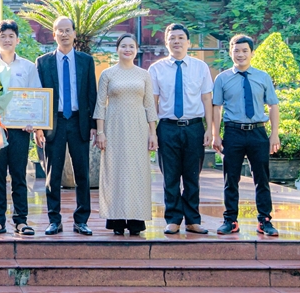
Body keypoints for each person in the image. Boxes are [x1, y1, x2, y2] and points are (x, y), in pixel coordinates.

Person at [212, 34, 281, 237]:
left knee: (262, 178)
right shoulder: (222, 78)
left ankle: (265, 221)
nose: (240, 54)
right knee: (230, 179)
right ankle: (230, 220)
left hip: (258, 132)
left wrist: (274, 134)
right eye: (236, 50)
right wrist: (216, 135)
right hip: (233, 132)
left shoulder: (263, 77)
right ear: (230, 51)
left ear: (251, 52)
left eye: (244, 51)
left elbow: (273, 105)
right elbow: (216, 108)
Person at [35, 16, 98, 236]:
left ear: (74, 34)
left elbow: (92, 94)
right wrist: (39, 127)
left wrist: (93, 125)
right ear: (54, 35)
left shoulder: (86, 61)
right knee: (53, 175)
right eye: (59, 30)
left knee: (83, 174)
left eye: (67, 30)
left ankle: (82, 220)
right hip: (55, 123)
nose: (63, 34)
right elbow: (39, 97)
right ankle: (54, 220)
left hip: (79, 122)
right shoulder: (43, 62)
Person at [148, 23, 213, 235]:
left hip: (194, 127)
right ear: (166, 42)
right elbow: (153, 103)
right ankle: (173, 218)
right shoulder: (156, 69)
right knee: (170, 176)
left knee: (192, 176)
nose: (176, 41)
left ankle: (193, 220)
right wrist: (153, 132)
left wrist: (209, 129)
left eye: (180, 38)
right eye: (172, 38)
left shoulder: (200, 67)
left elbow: (206, 99)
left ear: (189, 42)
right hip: (167, 128)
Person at [0, 20, 42, 236]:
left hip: (19, 129)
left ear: (17, 39)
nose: (7, 40)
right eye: (2, 36)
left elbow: (36, 95)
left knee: (19, 175)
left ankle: (21, 221)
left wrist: (33, 124)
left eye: (11, 36)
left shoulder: (27, 67)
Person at [93, 34, 158, 235]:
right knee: (115, 172)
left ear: (136, 50)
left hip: (138, 129)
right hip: (114, 128)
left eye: (131, 46)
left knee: (138, 172)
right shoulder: (108, 74)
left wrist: (153, 133)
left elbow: (149, 105)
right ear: (117, 49)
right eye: (123, 46)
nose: (127, 49)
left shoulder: (144, 74)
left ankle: (137, 220)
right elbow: (100, 105)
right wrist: (100, 132)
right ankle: (117, 220)